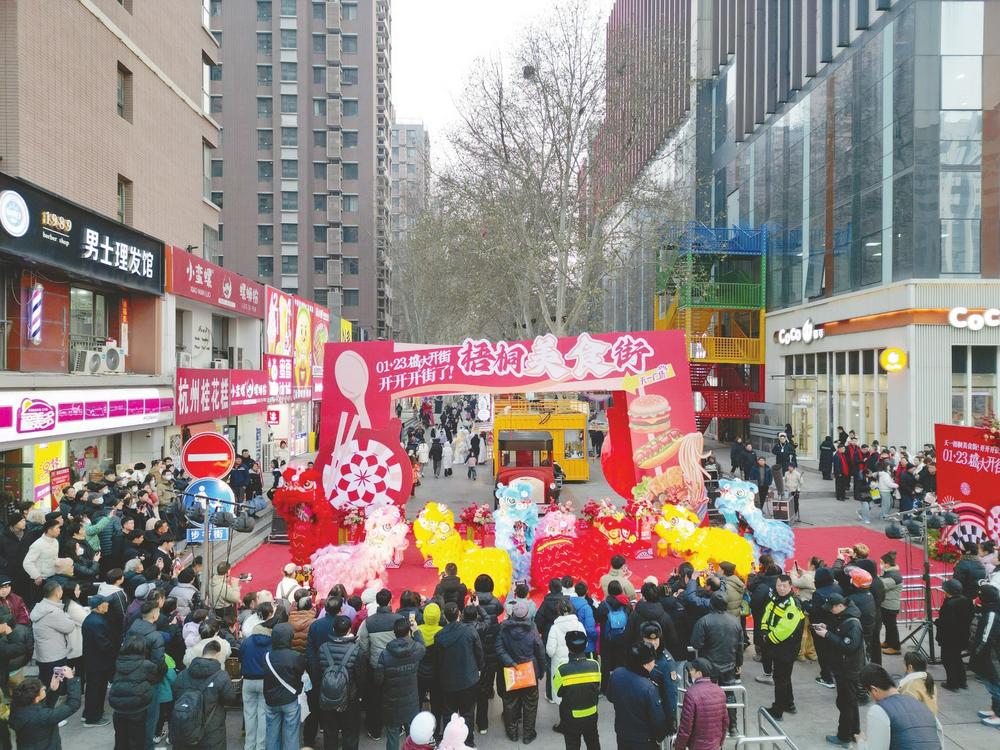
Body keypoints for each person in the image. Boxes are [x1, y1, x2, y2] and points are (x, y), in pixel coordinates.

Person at [812, 593, 865, 748]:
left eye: (832, 608)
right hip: (845, 668)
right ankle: (854, 731)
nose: (830, 611)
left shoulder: (853, 623)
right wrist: (828, 628)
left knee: (845, 703)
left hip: (848, 669)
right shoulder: (844, 617)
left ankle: (844, 736)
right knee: (851, 702)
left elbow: (849, 646)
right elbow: (841, 632)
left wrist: (827, 634)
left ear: (840, 606)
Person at [855, 664, 942, 750]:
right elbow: (940, 736)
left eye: (869, 693)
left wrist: (861, 741)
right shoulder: (921, 705)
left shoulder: (879, 710)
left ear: (874, 691)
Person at [169, 639, 236, 750]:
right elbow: (229, 699)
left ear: (203, 654)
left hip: (186, 728)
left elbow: (175, 694)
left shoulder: (183, 674)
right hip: (212, 730)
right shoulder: (222, 676)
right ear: (217, 655)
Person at [435, 603, 484, 746]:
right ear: (459, 615)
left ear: (445, 617)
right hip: (469, 680)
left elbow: (438, 661)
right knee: (467, 714)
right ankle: (468, 742)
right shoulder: (470, 631)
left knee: (448, 714)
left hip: (448, 682)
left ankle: (449, 743)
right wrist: (479, 669)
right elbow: (479, 653)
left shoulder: (439, 636)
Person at [496, 601, 544, 743]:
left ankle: (512, 733)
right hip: (529, 670)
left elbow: (499, 648)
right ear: (526, 614)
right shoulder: (532, 627)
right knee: (530, 703)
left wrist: (510, 662)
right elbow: (540, 650)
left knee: (510, 702)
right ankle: (528, 734)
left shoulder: (504, 627)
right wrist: (541, 670)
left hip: (511, 670)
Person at [758, 575, 805, 720]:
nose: (781, 588)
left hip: (786, 648)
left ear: (790, 586)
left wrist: (769, 638)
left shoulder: (792, 604)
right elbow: (767, 613)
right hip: (777, 645)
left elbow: (786, 628)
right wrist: (764, 630)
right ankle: (789, 704)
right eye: (779, 585)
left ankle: (777, 711)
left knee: (780, 679)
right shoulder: (775, 598)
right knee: (784, 677)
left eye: (784, 586)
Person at [375, 617, 426, 750]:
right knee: (413, 734)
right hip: (411, 700)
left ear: (394, 632)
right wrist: (417, 631)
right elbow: (423, 646)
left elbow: (378, 679)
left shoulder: (385, 654)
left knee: (392, 735)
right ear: (408, 631)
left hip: (391, 701)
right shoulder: (416, 649)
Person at [357, 588, 401, 740]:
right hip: (395, 663)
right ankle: (395, 727)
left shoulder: (368, 622)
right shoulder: (399, 619)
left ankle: (375, 729)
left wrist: (370, 656)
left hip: (375, 665)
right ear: (390, 601)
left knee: (375, 698)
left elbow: (363, 644)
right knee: (394, 696)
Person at [608, 643, 668, 750]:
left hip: (622, 734)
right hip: (644, 740)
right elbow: (656, 718)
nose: (654, 664)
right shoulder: (648, 687)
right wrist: (660, 736)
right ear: (645, 664)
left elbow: (610, 697)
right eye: (653, 661)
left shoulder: (616, 674)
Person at [316, 614, 364, 750]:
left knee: (330, 732)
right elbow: (361, 676)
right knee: (350, 732)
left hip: (327, 696)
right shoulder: (356, 649)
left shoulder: (323, 648)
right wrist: (360, 695)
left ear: (333, 629)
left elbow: (318, 672)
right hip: (350, 698)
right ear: (349, 630)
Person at [109, 635, 164, 750]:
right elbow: (156, 676)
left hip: (118, 707)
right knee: (137, 740)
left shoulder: (118, 661)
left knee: (120, 738)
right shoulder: (145, 664)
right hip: (137, 708)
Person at [9, 668, 81, 750]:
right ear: (36, 699)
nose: (45, 688)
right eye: (42, 690)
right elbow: (73, 705)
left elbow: (39, 707)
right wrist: (71, 679)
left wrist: (53, 690)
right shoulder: (42, 716)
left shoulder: (17, 706)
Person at [553, 630, 601, 750]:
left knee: (572, 745)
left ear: (568, 647)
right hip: (591, 715)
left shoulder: (562, 670)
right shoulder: (594, 665)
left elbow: (558, 692)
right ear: (585, 645)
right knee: (593, 743)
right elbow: (597, 686)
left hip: (570, 718)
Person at [262, 622, 307, 750]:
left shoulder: (266, 656)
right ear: (290, 638)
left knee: (271, 734)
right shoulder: (296, 656)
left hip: (271, 699)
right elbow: (301, 674)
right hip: (290, 699)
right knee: (291, 735)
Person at [674, 657, 728, 750]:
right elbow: (725, 721)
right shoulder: (720, 691)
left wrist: (679, 746)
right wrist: (720, 742)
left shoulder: (691, 693)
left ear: (699, 673)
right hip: (715, 745)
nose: (690, 673)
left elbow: (686, 727)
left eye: (692, 670)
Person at [29, 580, 75, 686]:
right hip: (55, 657)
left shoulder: (39, 607)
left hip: (43, 656)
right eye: (61, 590)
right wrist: (66, 615)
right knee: (56, 685)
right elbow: (69, 626)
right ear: (57, 593)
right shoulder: (53, 612)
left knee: (45, 682)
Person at [80, 594, 116, 727]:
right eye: (105, 603)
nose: (108, 605)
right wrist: (114, 650)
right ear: (99, 606)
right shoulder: (98, 622)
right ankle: (93, 718)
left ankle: (88, 713)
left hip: (92, 661)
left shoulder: (91, 619)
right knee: (97, 689)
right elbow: (104, 644)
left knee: (92, 688)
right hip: (99, 663)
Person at [546, 599, 585, 718]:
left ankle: (563, 721)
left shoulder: (554, 628)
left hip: (560, 665)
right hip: (577, 662)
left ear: (558, 611)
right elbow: (585, 643)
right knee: (575, 692)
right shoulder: (578, 625)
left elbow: (550, 651)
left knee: (561, 694)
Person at [639, 622, 678, 736]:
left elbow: (671, 694)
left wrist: (672, 720)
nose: (653, 643)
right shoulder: (639, 653)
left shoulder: (666, 662)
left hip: (657, 712)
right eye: (649, 640)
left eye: (656, 639)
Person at [970, 583, 1000, 728]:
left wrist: (977, 651)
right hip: (988, 653)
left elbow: (986, 637)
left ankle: (998, 714)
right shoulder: (989, 610)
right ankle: (995, 709)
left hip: (991, 655)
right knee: (991, 682)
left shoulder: (992, 614)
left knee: (994, 683)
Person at [935, 578, 973, 691]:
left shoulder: (949, 604)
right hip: (962, 636)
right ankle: (962, 681)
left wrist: (937, 622)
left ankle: (952, 684)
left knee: (948, 660)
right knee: (957, 658)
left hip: (949, 638)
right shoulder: (966, 600)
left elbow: (946, 623)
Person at [878, 552, 902, 655]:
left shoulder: (893, 577)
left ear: (887, 564)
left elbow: (880, 586)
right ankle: (888, 642)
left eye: (881, 562)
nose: (880, 564)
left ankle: (895, 647)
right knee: (888, 626)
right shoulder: (889, 572)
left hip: (890, 606)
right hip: (886, 604)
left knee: (891, 627)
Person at [899, 651, 938, 716]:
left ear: (910, 667)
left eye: (904, 664)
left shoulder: (908, 687)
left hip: (919, 720)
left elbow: (906, 712)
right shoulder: (930, 681)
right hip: (932, 718)